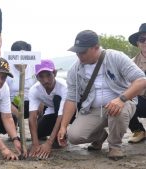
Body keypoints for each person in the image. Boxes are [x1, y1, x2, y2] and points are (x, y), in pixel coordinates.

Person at [57, 30, 146, 160]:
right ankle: (100, 136)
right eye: (77, 52)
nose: (79, 55)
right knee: (74, 136)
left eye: (83, 52)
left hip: (121, 104)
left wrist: (121, 99)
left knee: (119, 110)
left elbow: (141, 80)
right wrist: (63, 126)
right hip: (93, 109)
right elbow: (71, 99)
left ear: (96, 48)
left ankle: (115, 146)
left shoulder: (116, 57)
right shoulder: (74, 70)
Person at [28, 60, 67, 159]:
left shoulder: (63, 87)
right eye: (41, 76)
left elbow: (61, 115)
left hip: (69, 113)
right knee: (38, 132)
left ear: (54, 73)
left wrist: (49, 143)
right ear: (37, 77)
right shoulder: (34, 90)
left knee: (57, 99)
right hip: (52, 111)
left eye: (48, 75)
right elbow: (32, 117)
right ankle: (55, 134)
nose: (45, 80)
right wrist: (35, 143)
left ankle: (60, 136)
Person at [6, 41, 37, 119]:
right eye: (17, 55)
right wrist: (18, 114)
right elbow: (2, 96)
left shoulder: (34, 67)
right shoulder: (7, 69)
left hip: (31, 102)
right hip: (13, 103)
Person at [127, 23, 146, 143]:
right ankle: (138, 130)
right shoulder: (130, 64)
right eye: (142, 39)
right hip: (141, 101)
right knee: (122, 100)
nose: (145, 42)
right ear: (138, 43)